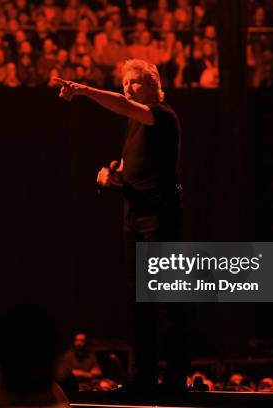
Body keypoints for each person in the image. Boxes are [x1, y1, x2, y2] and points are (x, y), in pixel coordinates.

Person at [55, 58, 188, 400]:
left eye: (134, 83)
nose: (128, 89)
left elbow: (120, 104)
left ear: (153, 86)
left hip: (161, 216)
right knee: (139, 302)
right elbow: (128, 167)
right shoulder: (133, 123)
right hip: (135, 217)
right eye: (126, 83)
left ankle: (174, 380)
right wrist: (110, 177)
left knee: (167, 302)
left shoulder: (162, 113)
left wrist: (84, 90)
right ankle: (143, 377)